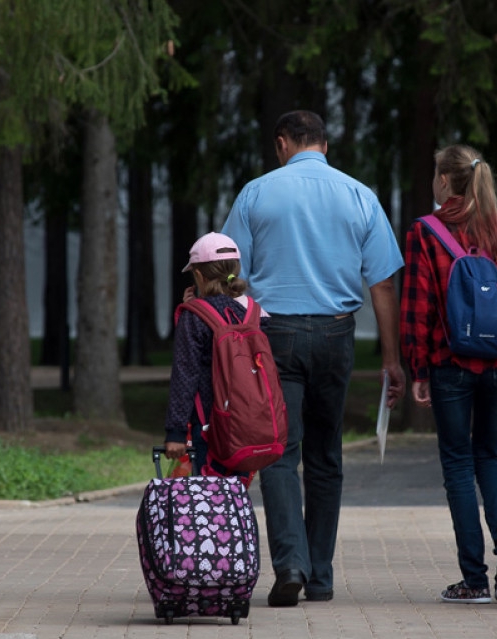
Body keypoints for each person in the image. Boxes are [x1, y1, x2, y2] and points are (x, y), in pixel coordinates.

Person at [221, 110, 405, 607]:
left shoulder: (256, 193)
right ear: (325, 144)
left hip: (273, 336)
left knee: (279, 453)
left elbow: (232, 273)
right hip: (335, 335)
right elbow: (382, 282)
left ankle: (291, 565)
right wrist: (391, 357)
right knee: (327, 455)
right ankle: (320, 575)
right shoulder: (359, 195)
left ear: (283, 143)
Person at [400, 145, 497, 604]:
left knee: (458, 465)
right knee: (489, 456)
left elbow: (418, 306)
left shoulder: (426, 231)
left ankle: (474, 580)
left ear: (445, 180)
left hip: (451, 364)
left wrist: (418, 366)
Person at [163, 232, 263, 486]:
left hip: (209, 425)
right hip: (250, 423)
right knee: (236, 495)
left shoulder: (194, 317)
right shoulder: (255, 313)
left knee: (209, 498)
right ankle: (239, 527)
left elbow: (185, 374)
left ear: (199, 275)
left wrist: (175, 432)